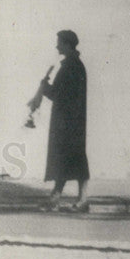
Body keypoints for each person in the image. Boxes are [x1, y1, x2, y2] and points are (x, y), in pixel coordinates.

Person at [33, 29, 90, 212]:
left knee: (75, 158)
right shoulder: (72, 65)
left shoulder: (71, 67)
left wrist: (44, 87)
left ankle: (82, 199)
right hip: (69, 120)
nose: (57, 46)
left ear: (67, 44)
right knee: (66, 159)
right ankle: (57, 197)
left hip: (69, 121)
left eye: (59, 42)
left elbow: (58, 94)